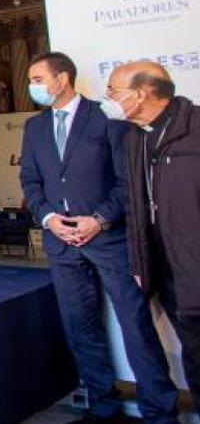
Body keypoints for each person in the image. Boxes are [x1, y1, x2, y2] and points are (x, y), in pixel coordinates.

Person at [21, 53, 178, 424]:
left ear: (62, 79)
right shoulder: (34, 127)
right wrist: (47, 218)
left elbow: (129, 182)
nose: (33, 86)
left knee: (135, 326)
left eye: (38, 78)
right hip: (61, 244)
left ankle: (160, 412)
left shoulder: (107, 119)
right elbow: (30, 179)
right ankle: (102, 407)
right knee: (81, 327)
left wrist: (100, 220)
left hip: (110, 241)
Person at [106, 60, 200, 397]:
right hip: (170, 276)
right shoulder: (135, 139)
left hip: (195, 267)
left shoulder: (196, 127)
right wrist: (139, 264)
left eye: (113, 90)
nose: (108, 97)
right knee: (195, 361)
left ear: (142, 93)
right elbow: (135, 206)